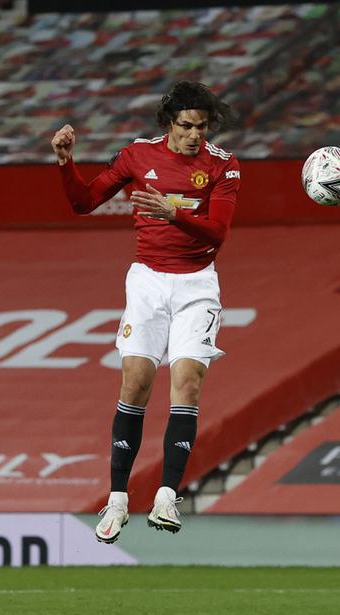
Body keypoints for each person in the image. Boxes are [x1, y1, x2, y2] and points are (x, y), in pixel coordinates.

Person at [50, 80, 241, 543]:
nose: (195, 135)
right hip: (148, 281)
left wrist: (171, 213)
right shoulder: (138, 155)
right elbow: (83, 203)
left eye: (202, 126)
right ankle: (117, 500)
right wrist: (65, 162)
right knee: (135, 381)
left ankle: (167, 495)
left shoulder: (224, 166)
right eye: (186, 126)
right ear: (168, 124)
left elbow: (216, 233)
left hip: (197, 283)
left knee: (188, 383)